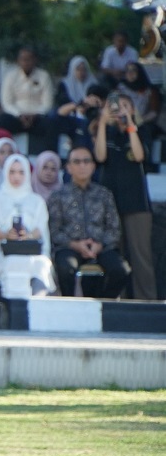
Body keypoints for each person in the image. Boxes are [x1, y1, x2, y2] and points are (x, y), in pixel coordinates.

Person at [93, 93, 156, 300]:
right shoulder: (107, 133)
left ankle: (146, 301)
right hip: (110, 204)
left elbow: (139, 155)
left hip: (137, 203)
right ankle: (114, 299)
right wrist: (102, 123)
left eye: (125, 106)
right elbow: (100, 156)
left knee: (141, 256)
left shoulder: (141, 131)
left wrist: (130, 125)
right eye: (115, 107)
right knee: (114, 255)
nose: (120, 110)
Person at [48, 146, 130, 298]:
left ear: (93, 166)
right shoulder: (58, 196)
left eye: (86, 161)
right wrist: (75, 245)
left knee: (121, 270)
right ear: (69, 167)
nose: (82, 166)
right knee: (66, 268)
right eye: (77, 162)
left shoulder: (104, 194)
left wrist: (99, 245)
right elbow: (54, 230)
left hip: (101, 247)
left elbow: (114, 229)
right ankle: (70, 307)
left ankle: (104, 305)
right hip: (70, 247)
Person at [0, 154, 57, 297]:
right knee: (11, 263)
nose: (16, 177)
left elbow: (41, 230)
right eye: (12, 172)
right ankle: (14, 310)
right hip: (2, 252)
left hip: (32, 252)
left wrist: (27, 236)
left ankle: (35, 307)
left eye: (21, 172)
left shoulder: (37, 201)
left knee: (40, 265)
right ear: (5, 173)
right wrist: (6, 235)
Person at [0, 47, 55, 150]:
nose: (26, 62)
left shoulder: (44, 76)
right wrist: (19, 115)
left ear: (35, 60)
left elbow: (47, 103)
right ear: (18, 61)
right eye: (23, 59)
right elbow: (6, 103)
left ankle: (48, 156)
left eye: (29, 59)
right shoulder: (10, 76)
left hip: (37, 118)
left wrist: (34, 115)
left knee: (51, 124)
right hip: (16, 117)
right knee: (2, 121)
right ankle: (3, 153)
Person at [53, 56, 101, 148]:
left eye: (84, 69)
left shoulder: (93, 84)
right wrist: (80, 105)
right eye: (78, 69)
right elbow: (62, 104)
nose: (81, 72)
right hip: (69, 118)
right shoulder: (64, 84)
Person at [117, 62, 161, 137]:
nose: (130, 73)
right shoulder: (120, 87)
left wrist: (139, 121)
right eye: (127, 70)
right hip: (122, 123)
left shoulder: (150, 90)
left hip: (142, 123)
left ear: (139, 72)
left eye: (133, 70)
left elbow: (154, 113)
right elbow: (114, 107)